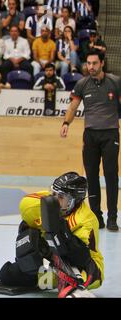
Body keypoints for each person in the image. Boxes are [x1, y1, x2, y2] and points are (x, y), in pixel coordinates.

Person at [0, 172, 104, 298]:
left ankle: (76, 284)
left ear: (74, 200)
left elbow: (81, 257)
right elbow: (26, 222)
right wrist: (36, 245)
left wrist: (61, 233)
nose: (54, 200)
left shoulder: (85, 220)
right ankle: (59, 279)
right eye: (53, 194)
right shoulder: (39, 202)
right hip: (51, 261)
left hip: (87, 266)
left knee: (65, 246)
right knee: (7, 274)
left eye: (61, 197)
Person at [60, 50, 121, 232]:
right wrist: (66, 123)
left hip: (110, 134)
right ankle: (97, 217)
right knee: (92, 177)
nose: (91, 67)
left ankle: (112, 218)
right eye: (88, 63)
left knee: (111, 175)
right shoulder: (82, 84)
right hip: (91, 136)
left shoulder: (115, 82)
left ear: (102, 63)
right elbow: (73, 106)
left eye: (94, 63)